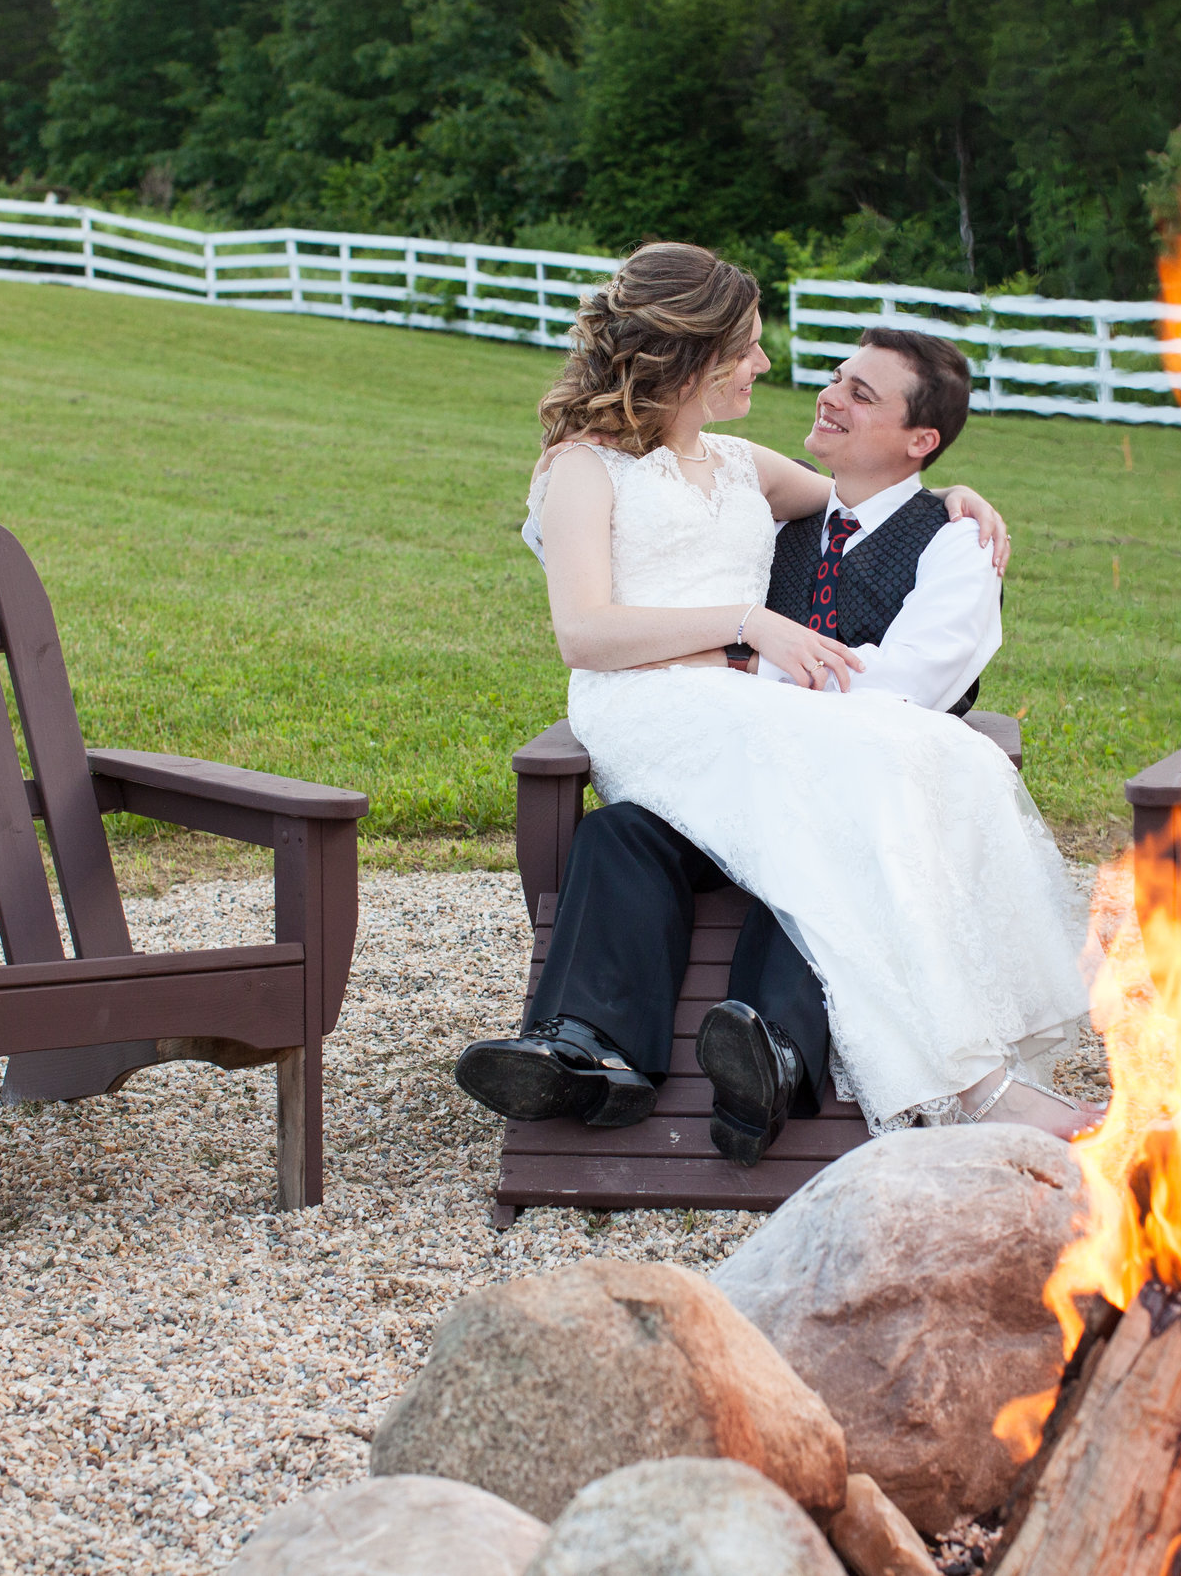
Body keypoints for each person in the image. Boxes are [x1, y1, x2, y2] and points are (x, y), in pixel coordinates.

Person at [455, 242, 1094, 1163]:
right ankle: (962, 1081)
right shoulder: (583, 470)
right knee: (851, 779)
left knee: (873, 781)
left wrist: (955, 490)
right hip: (647, 709)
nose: (766, 364)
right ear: (696, 351)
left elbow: (869, 495)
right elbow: (584, 633)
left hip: (740, 708)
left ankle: (788, 1054)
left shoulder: (744, 463)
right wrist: (749, 622)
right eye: (749, 346)